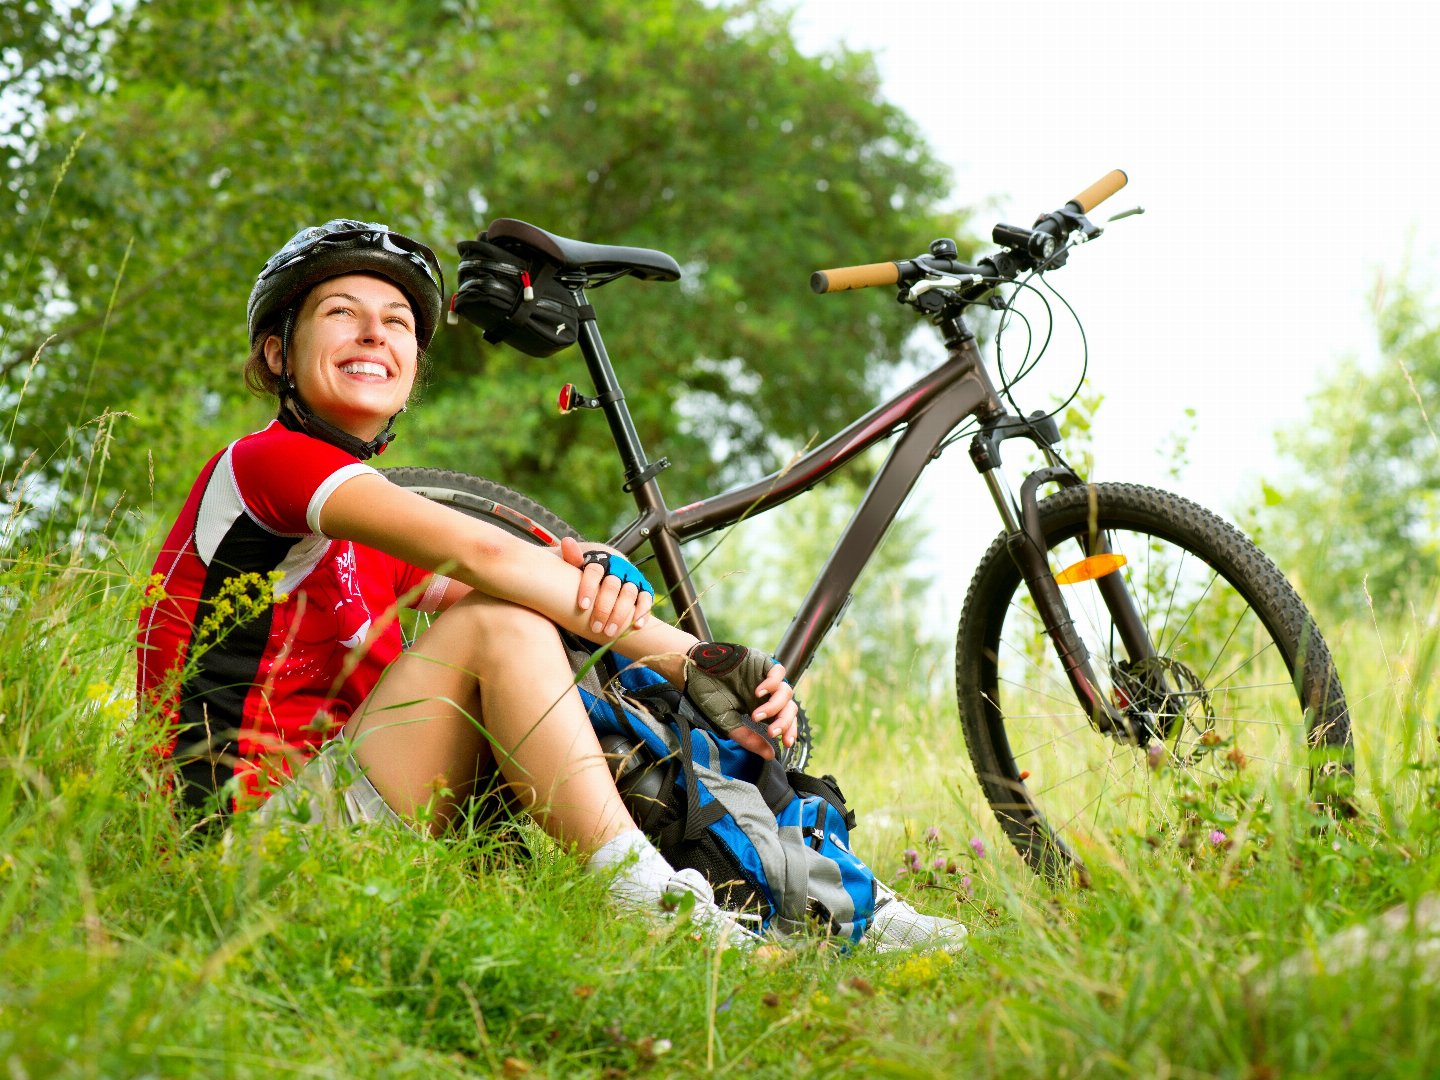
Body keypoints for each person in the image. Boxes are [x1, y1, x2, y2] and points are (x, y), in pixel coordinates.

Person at [136, 219, 965, 951]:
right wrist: (698, 658)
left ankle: (828, 895)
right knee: (508, 625)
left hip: (343, 825)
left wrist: (717, 667)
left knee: (606, 672)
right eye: (340, 314)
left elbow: (548, 610)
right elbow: (495, 570)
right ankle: (650, 902)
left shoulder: (365, 529)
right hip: (240, 844)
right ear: (278, 352)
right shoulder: (266, 463)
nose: (373, 335)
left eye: (397, 324)